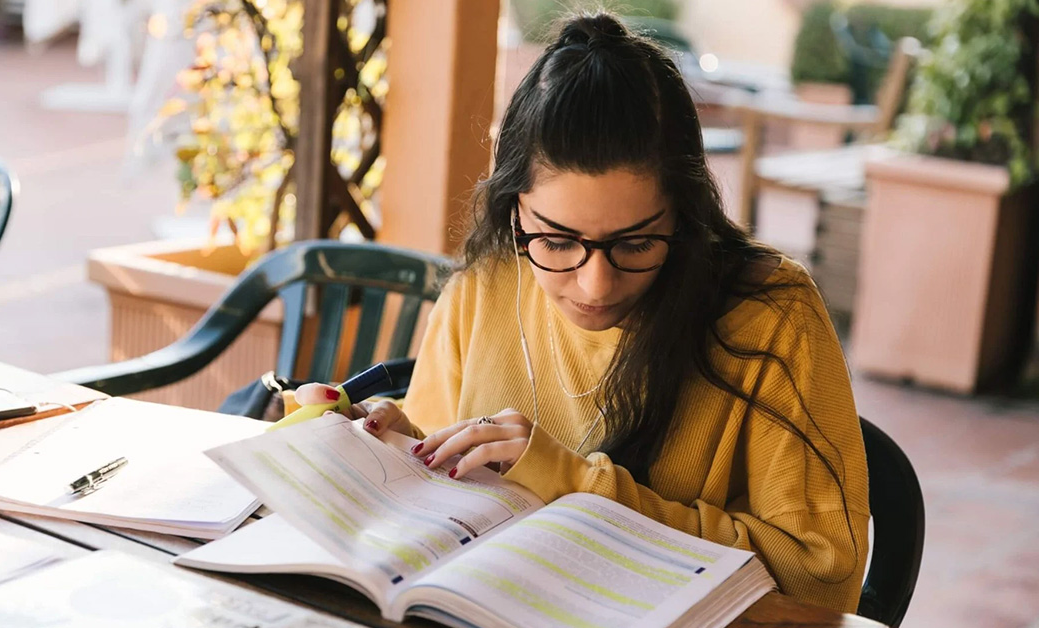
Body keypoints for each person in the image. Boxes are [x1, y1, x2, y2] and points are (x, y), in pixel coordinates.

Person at [294, 11, 869, 614]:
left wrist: (573, 484)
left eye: (637, 243)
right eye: (558, 242)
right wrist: (383, 445)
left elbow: (821, 582)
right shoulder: (486, 286)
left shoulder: (772, 316)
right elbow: (438, 490)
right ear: (514, 211)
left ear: (684, 213)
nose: (595, 284)